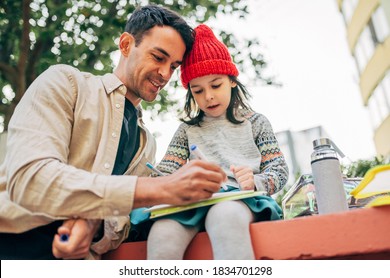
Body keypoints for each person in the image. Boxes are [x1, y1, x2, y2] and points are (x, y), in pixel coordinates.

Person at [0, 5, 227, 260]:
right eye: (158, 57)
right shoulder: (65, 83)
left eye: (174, 66)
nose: (165, 74)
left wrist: (92, 223)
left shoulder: (146, 144)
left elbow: (123, 220)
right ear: (127, 45)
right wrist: (163, 187)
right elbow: (30, 178)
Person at [131, 24, 289, 260]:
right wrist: (167, 178)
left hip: (241, 200)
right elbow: (166, 171)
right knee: (162, 233)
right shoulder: (187, 130)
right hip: (192, 204)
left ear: (232, 80)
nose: (209, 96)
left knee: (224, 217)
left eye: (216, 85)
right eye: (198, 91)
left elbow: (279, 169)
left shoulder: (256, 122)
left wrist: (255, 181)